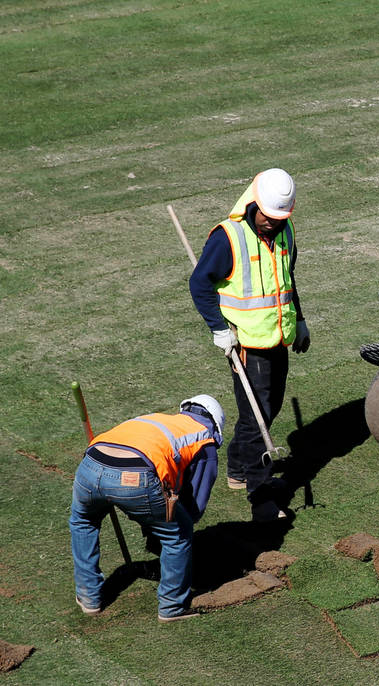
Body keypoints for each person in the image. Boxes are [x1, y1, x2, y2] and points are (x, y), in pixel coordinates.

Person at [189, 168, 310, 521]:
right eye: (268, 217)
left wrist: (299, 321)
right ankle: (260, 494)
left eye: (280, 218)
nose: (273, 224)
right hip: (246, 342)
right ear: (253, 203)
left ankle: (238, 469)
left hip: (279, 337)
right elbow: (200, 284)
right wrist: (218, 329)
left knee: (265, 410)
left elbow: (286, 280)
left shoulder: (286, 231)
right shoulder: (228, 238)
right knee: (259, 418)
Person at [69, 395, 223, 622]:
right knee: (178, 535)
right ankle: (172, 607)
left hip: (90, 465)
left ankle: (89, 597)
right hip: (133, 477)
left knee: (83, 522)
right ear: (216, 425)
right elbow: (195, 504)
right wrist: (167, 524)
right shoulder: (204, 439)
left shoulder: (158, 420)